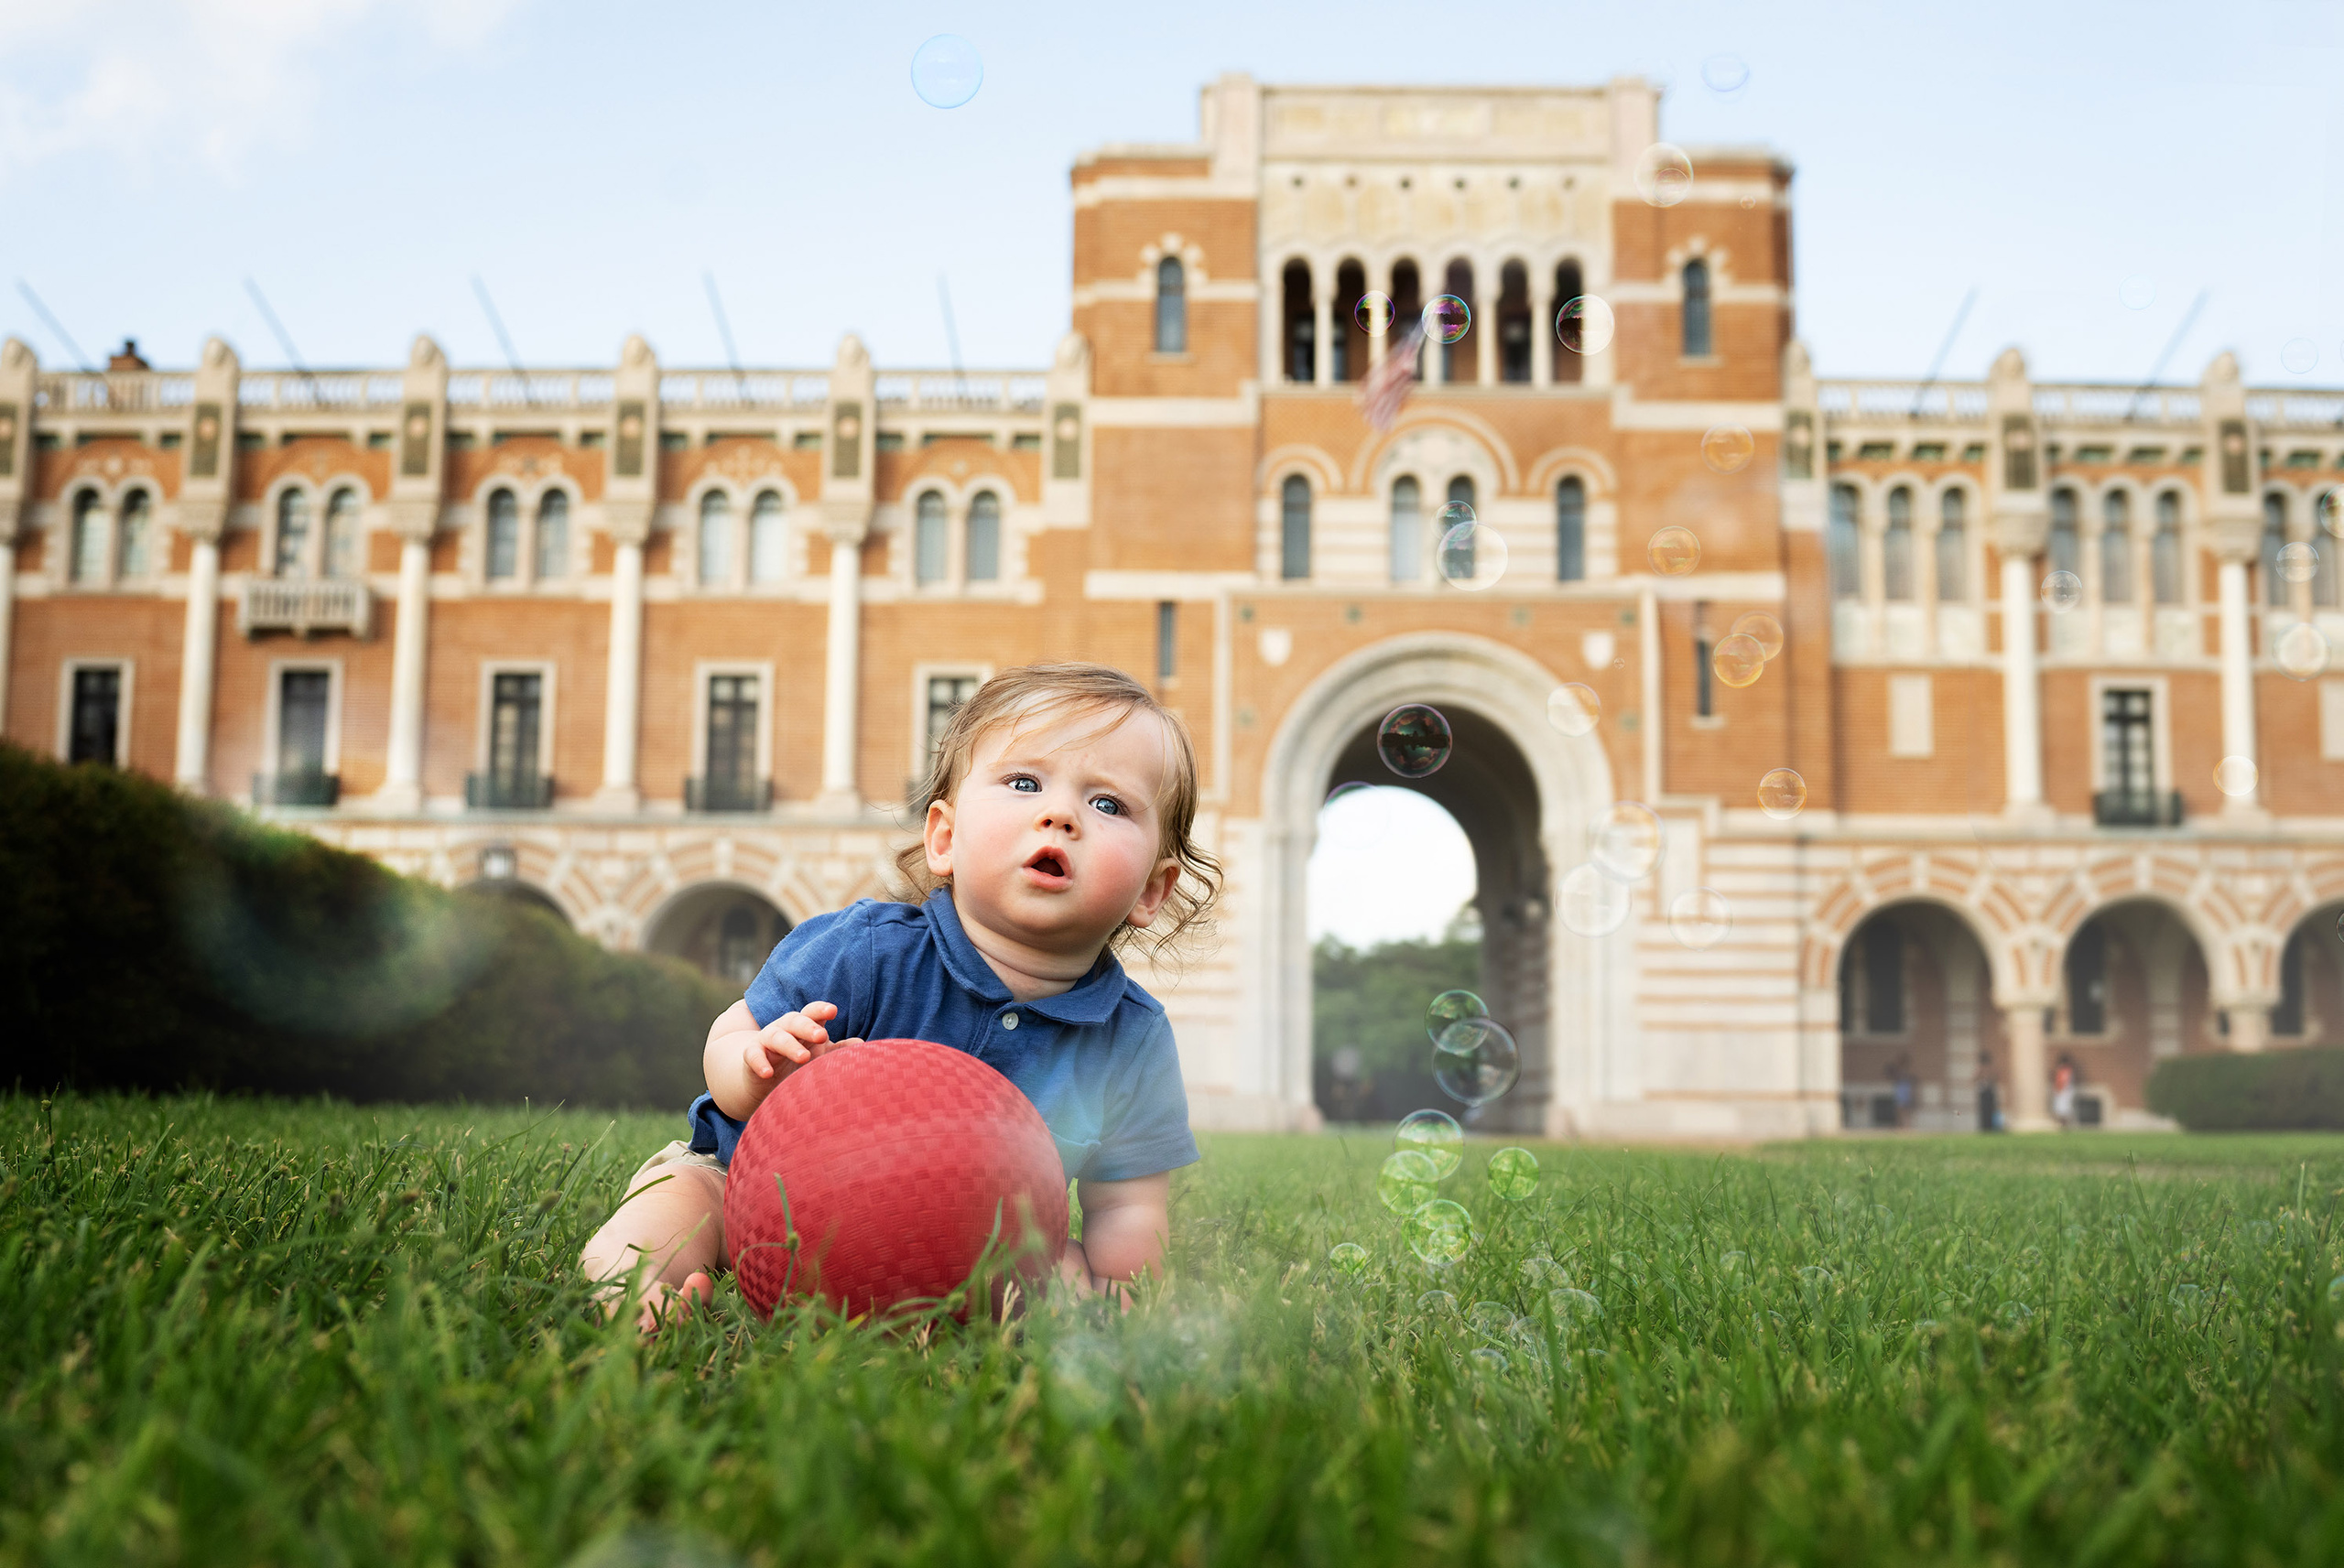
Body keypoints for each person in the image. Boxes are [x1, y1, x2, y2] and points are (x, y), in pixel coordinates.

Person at [581, 664, 1218, 1332]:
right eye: (1024, 783)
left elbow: (1129, 1204)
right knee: (674, 1199)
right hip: (751, 1188)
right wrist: (759, 1065)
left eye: (1108, 804)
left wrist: (1115, 1286)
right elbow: (727, 1038)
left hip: (973, 1240)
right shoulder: (867, 948)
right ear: (943, 838)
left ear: (1153, 888)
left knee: (1055, 1264)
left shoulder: (1130, 1036)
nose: (1059, 814)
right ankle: (631, 1286)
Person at [1977, 1051, 2002, 1133]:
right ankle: (1985, 1128)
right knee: (1985, 1111)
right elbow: (1975, 1078)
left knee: (1990, 1110)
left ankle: (1990, 1128)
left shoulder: (1990, 1069)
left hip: (1989, 1091)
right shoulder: (1981, 1069)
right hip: (1984, 1091)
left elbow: (1996, 1078)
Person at [2051, 1054, 2078, 1131]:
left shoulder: (2066, 1070)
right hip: (2063, 1091)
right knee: (2061, 1109)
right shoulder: (2065, 1070)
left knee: (2064, 1109)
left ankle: (2065, 1125)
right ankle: (2063, 1125)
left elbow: (2063, 1081)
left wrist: (2059, 1088)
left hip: (2064, 1091)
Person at [1891, 1057, 1916, 1130]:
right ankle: (1901, 1126)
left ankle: (1906, 1126)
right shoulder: (1898, 1073)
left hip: (1905, 1092)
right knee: (1899, 1111)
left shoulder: (1907, 1075)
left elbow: (1911, 1084)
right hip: (1901, 1092)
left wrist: (1911, 1095)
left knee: (1906, 1112)